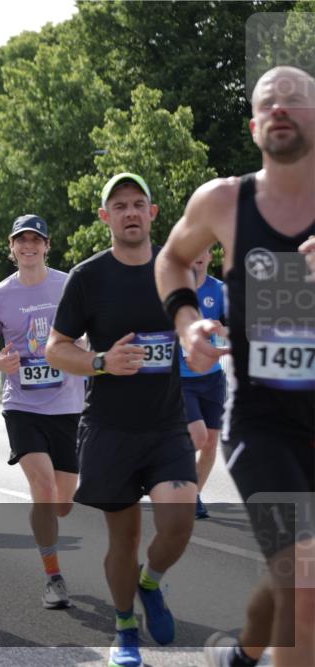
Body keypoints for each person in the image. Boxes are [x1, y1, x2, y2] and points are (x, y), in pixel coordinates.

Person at [156, 65, 315, 667]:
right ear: (253, 126)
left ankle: (243, 655)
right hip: (264, 423)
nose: (281, 108)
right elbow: (172, 259)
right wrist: (186, 322)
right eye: (268, 102)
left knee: (294, 582)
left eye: (296, 100)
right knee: (304, 582)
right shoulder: (224, 200)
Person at [46, 174, 197, 667]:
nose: (130, 212)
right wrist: (101, 362)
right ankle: (124, 627)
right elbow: (56, 349)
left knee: (178, 522)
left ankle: (150, 582)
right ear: (104, 216)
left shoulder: (175, 272)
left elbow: (190, 334)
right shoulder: (87, 277)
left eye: (138, 204)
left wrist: (202, 341)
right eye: (119, 205)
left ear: (153, 214)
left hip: (166, 423)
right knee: (123, 538)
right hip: (110, 427)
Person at [0, 215, 85, 610]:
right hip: (21, 404)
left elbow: (88, 330)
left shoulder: (69, 283)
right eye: (21, 241)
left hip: (68, 403)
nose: (29, 247)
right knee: (41, 488)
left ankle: (51, 539)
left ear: (46, 245)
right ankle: (53, 576)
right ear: (11, 247)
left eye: (35, 240)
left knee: (62, 503)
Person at [176, 248, 226, 520]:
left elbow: (237, 332)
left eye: (203, 249)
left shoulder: (220, 290)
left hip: (212, 378)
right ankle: (167, 472)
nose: (196, 253)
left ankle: (192, 495)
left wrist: (220, 331)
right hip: (182, 380)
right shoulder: (171, 290)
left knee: (210, 444)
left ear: (210, 256)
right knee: (198, 436)